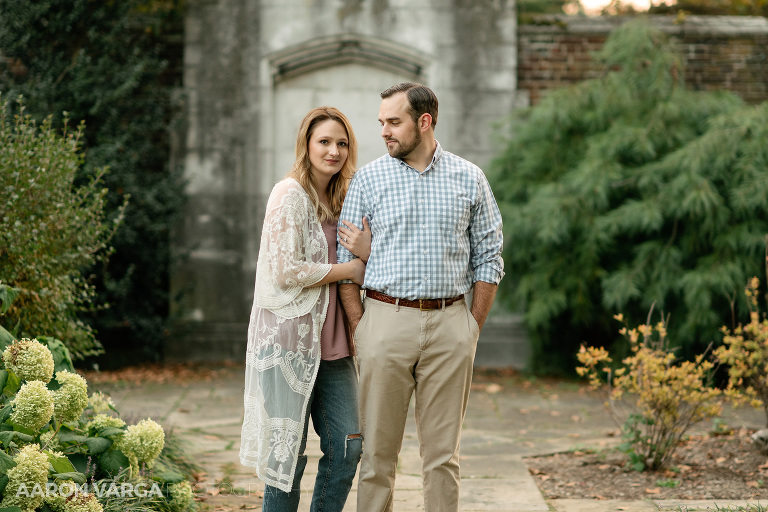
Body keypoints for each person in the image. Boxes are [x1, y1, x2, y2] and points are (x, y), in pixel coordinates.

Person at [337, 83, 505, 512]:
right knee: (376, 456)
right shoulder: (369, 180)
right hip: (384, 322)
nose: (385, 132)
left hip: (451, 325)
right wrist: (361, 329)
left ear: (424, 122)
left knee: (443, 458)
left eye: (394, 122)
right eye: (382, 123)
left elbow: (489, 257)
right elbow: (344, 266)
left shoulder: (470, 178)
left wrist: (471, 327)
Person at [239, 106, 371, 512]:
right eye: (324, 142)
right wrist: (348, 267)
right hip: (288, 343)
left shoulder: (345, 198)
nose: (334, 151)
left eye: (342, 143)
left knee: (348, 448)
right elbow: (284, 270)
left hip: (335, 346)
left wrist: (365, 256)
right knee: (287, 460)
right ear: (307, 145)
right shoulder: (289, 193)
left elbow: (369, 260)